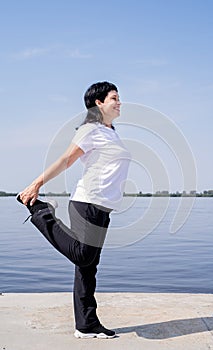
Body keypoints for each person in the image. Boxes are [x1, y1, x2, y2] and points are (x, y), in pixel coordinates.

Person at [17, 81, 131, 339]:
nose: (119, 102)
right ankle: (41, 213)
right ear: (98, 103)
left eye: (119, 97)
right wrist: (36, 184)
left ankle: (86, 324)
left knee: (88, 267)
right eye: (114, 97)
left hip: (103, 207)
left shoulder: (111, 131)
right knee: (82, 256)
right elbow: (66, 159)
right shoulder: (90, 130)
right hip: (87, 202)